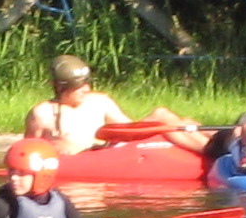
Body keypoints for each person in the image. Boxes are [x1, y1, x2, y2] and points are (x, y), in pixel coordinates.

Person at [23, 54, 208, 156]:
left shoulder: (99, 101)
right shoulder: (42, 114)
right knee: (164, 116)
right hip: (85, 160)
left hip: (113, 151)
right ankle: (212, 149)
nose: (86, 89)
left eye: (87, 83)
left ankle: (216, 146)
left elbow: (128, 128)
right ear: (60, 87)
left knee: (167, 116)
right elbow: (28, 151)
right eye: (78, 86)